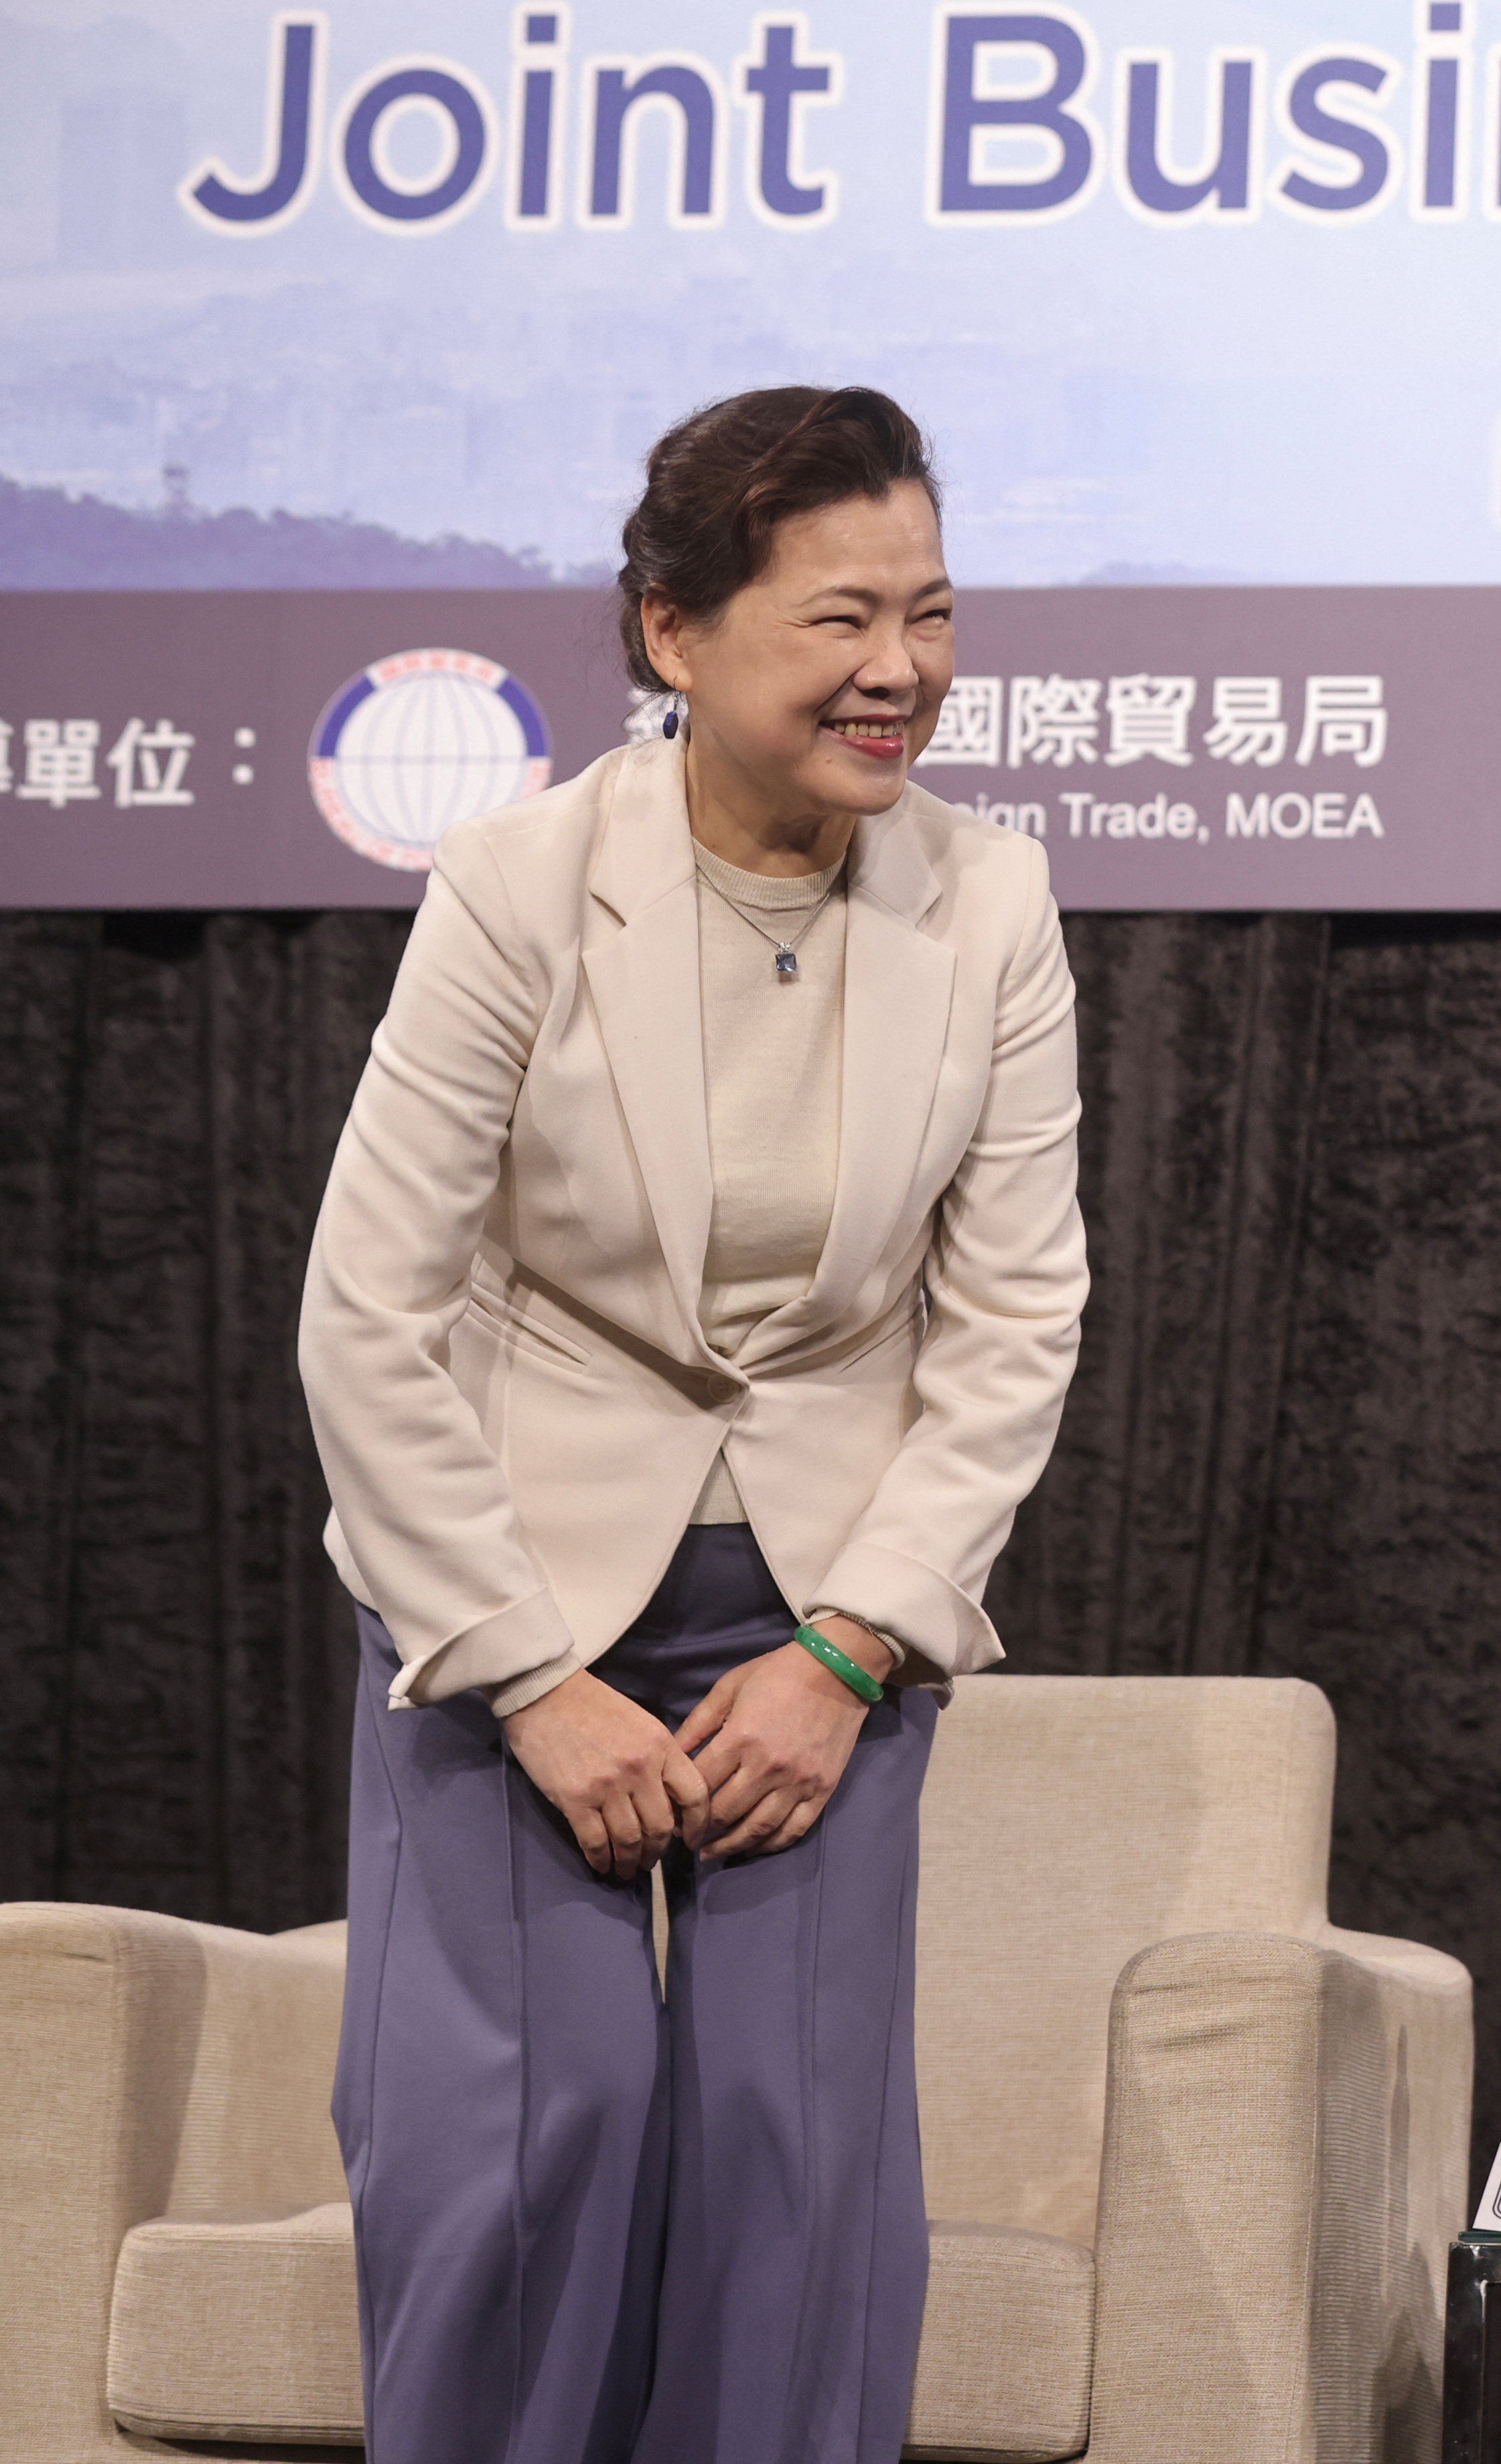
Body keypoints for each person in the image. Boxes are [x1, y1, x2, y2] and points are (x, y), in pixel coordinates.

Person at [297, 385, 1087, 2464]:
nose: (899, 670)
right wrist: (527, 1680)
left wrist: (849, 1652)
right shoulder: (518, 883)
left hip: (826, 1607)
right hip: (506, 1581)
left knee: (793, 2164)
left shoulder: (989, 902)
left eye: (929, 612)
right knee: (524, 2151)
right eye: (839, 618)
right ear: (673, 633)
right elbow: (366, 1314)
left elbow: (1015, 1319)